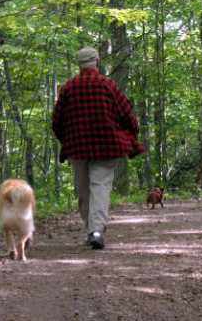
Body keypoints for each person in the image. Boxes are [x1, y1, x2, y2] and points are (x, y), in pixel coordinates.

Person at [52, 47, 144, 249]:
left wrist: (67, 140)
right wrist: (131, 134)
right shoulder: (108, 85)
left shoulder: (68, 88)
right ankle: (96, 231)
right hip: (107, 145)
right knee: (100, 187)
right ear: (97, 61)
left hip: (77, 147)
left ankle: (91, 230)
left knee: (83, 190)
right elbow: (127, 114)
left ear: (79, 64)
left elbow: (57, 122)